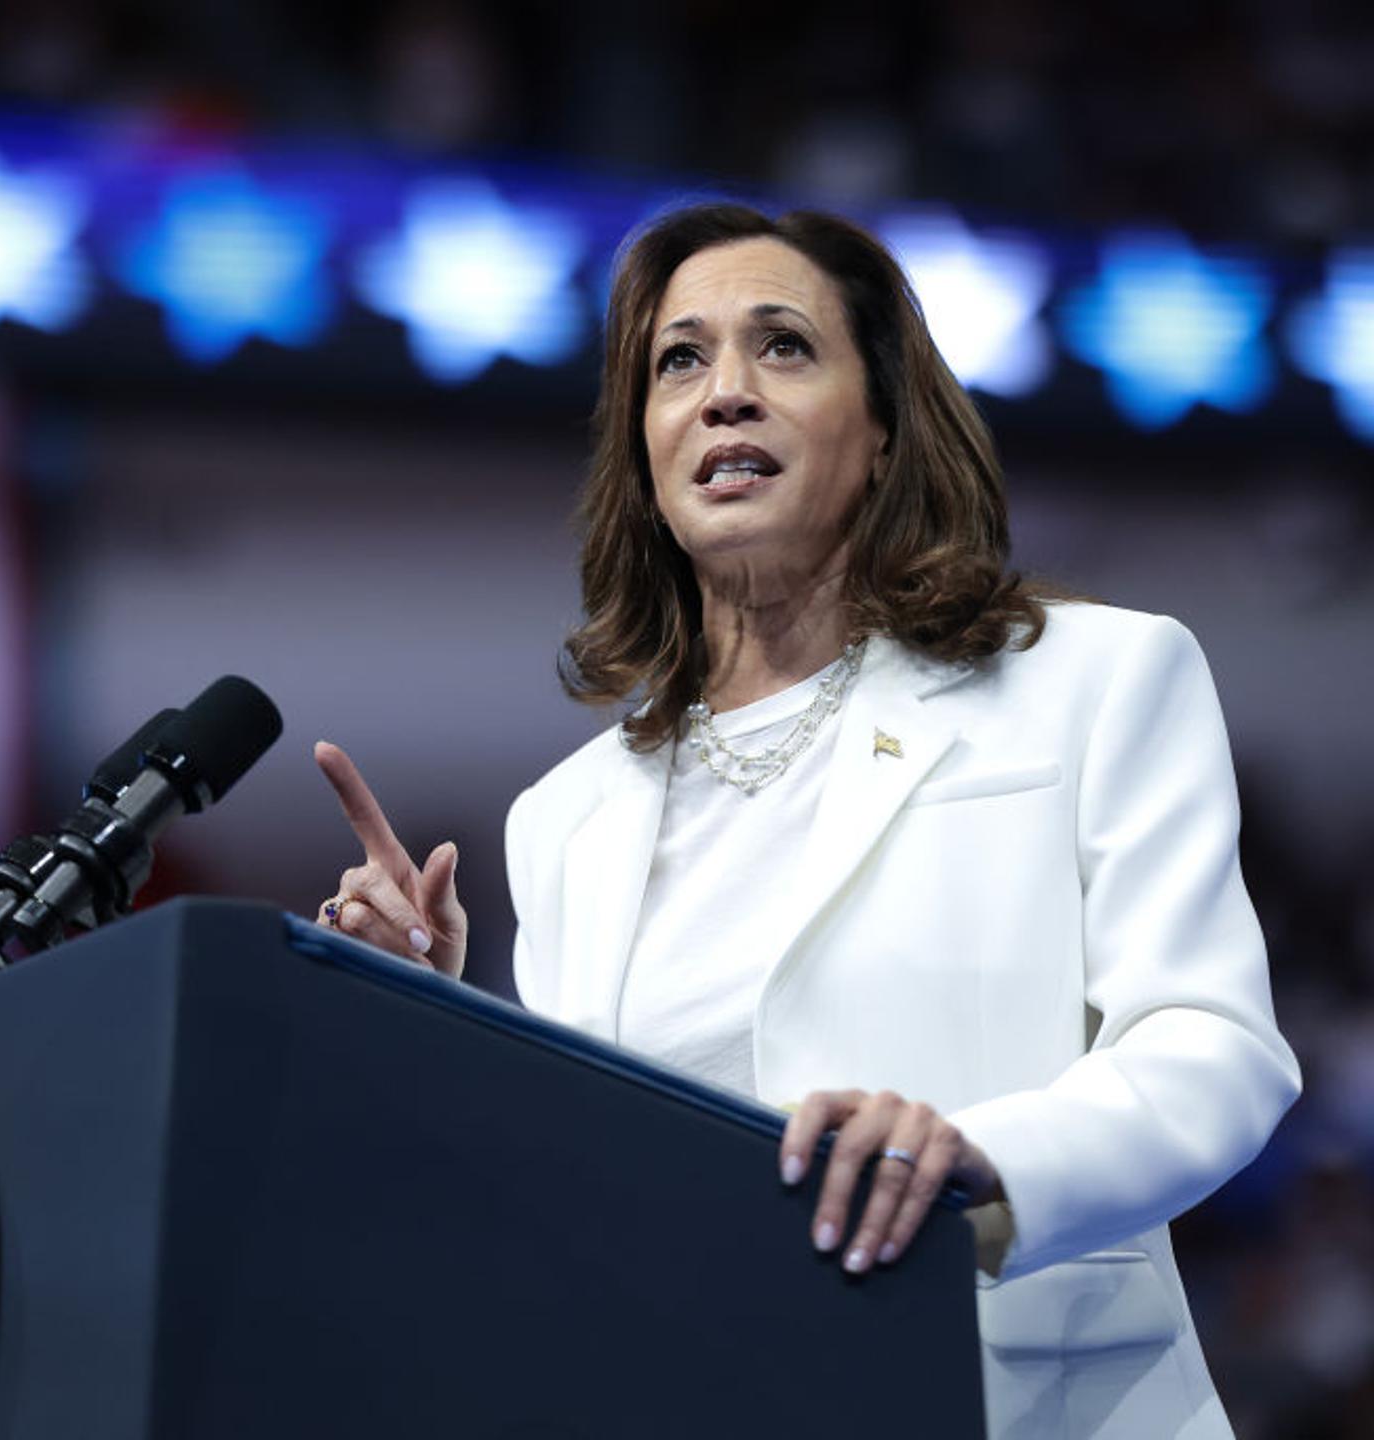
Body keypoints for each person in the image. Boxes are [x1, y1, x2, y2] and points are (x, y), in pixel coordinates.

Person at [314, 204, 1301, 1438]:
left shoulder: (1098, 680)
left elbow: (1213, 1052)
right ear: (647, 454)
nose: (725, 392)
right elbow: (577, 1199)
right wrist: (428, 1027)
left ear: (884, 432)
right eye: (680, 360)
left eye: (782, 346)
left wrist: (976, 1163)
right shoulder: (565, 819)